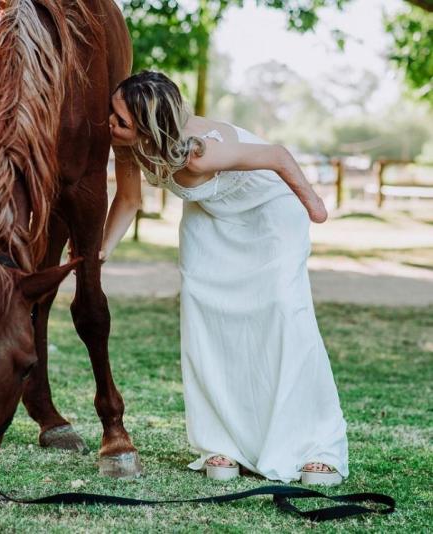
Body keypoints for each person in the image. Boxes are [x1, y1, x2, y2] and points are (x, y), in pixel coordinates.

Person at [103, 70, 348, 485]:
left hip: (268, 212)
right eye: (113, 112)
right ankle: (223, 443)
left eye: (121, 120)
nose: (110, 123)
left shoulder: (200, 153)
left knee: (285, 314)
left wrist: (316, 207)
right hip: (210, 219)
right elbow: (128, 200)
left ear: (150, 127)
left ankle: (315, 445)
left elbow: (278, 156)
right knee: (205, 319)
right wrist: (100, 252)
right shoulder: (131, 147)